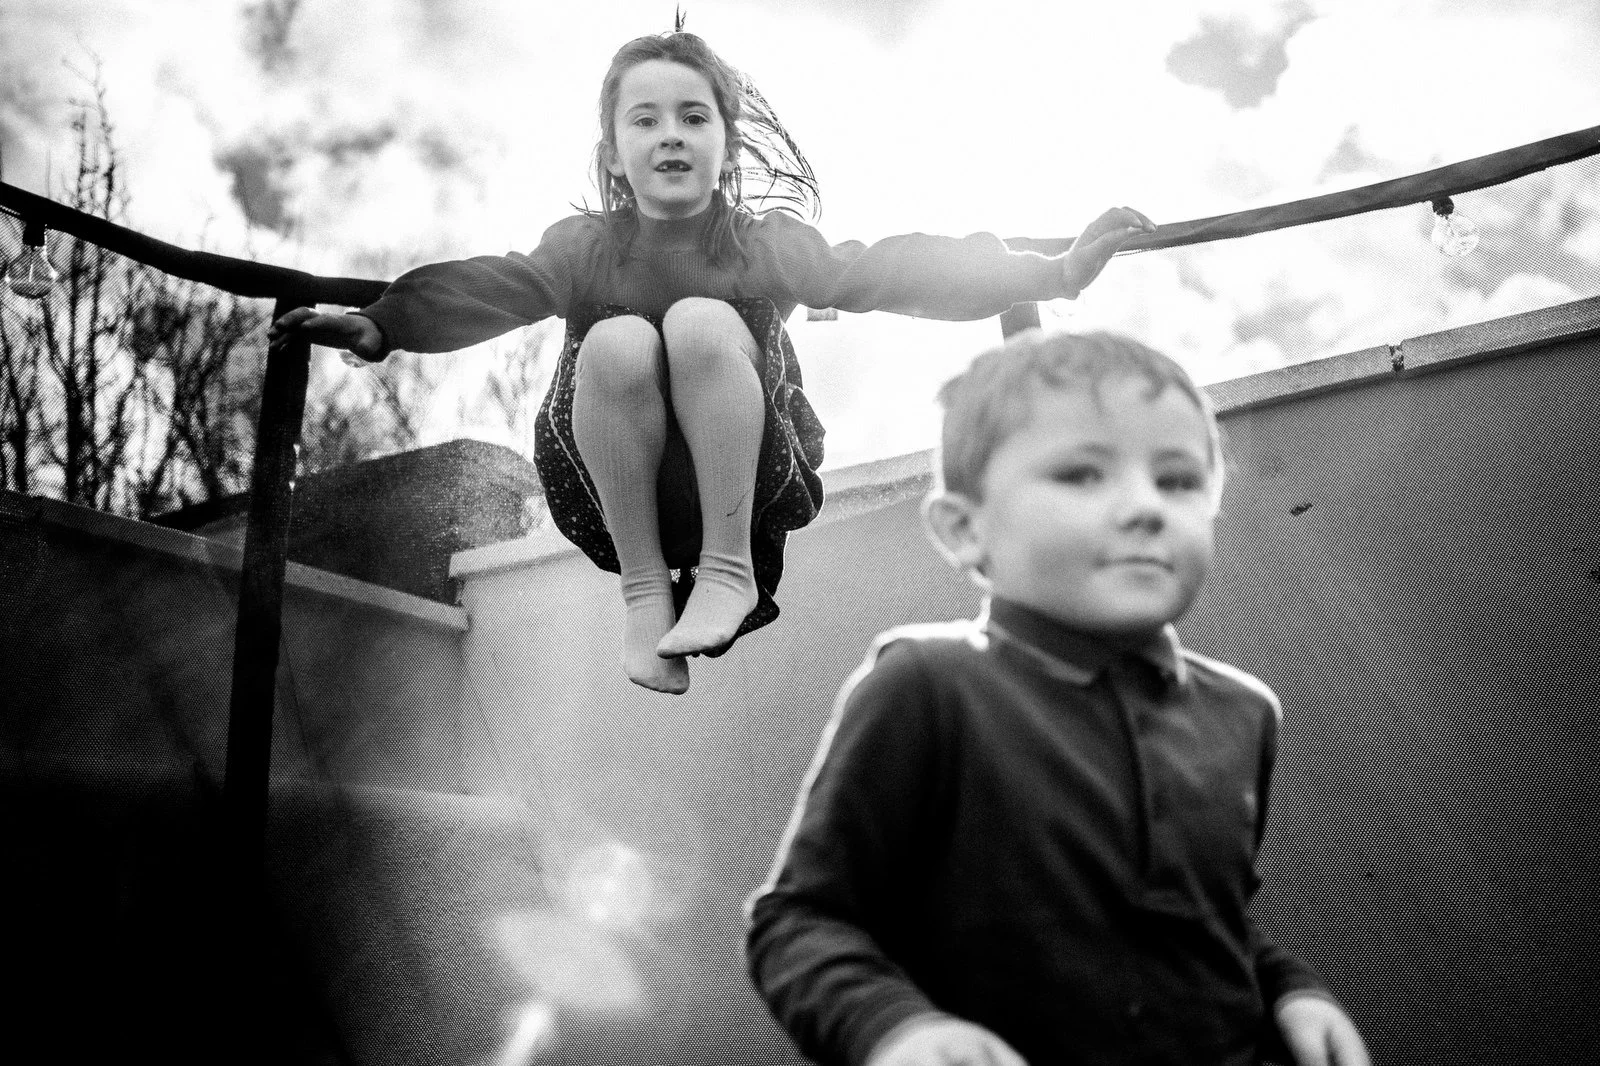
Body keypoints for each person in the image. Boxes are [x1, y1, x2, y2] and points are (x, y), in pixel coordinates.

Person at [267, 30, 1154, 694]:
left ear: (725, 142)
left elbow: (892, 268)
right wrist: (383, 321)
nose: (671, 136)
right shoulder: (586, 248)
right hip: (615, 489)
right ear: (614, 151)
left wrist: (1054, 272)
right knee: (616, 339)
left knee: (698, 321)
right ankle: (645, 595)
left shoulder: (762, 245)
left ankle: (727, 572)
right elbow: (497, 285)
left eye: (694, 118)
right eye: (644, 120)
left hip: (748, 477)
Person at [745, 331, 1372, 1066]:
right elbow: (799, 920)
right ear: (965, 529)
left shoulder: (1244, 713)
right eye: (1082, 474)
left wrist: (1293, 990)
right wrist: (895, 1028)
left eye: (1177, 481)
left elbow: (1206, 923)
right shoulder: (929, 686)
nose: (1146, 508)